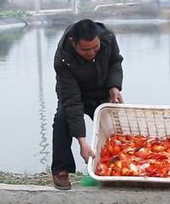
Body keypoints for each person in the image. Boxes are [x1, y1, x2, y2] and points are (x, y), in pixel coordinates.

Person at [51, 19, 124, 190]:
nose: (91, 53)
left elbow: (115, 61)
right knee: (63, 120)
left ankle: (115, 168)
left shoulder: (108, 37)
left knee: (113, 127)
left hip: (101, 90)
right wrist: (82, 142)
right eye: (85, 50)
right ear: (73, 43)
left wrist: (114, 86)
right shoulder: (63, 58)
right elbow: (72, 103)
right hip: (74, 94)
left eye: (95, 48)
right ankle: (61, 169)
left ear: (99, 39)